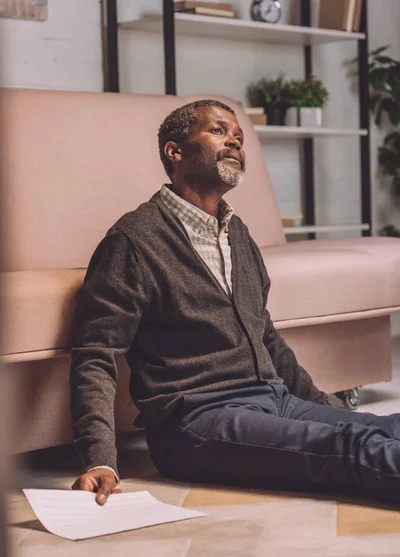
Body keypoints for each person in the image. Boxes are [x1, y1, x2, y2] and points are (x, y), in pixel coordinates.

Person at [71, 99, 400, 508]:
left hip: (272, 399)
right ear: (175, 152)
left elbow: (264, 335)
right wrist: (100, 458)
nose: (234, 143)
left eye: (239, 138)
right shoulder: (133, 240)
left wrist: (326, 409)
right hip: (195, 420)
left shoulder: (237, 233)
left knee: (385, 427)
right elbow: (96, 353)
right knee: (356, 446)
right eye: (219, 131)